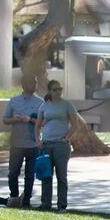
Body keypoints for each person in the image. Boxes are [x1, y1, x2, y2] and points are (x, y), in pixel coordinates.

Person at [35, 79, 79, 212]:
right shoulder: (44, 106)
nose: (58, 92)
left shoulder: (67, 105)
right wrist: (38, 140)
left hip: (61, 145)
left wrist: (66, 138)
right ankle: (45, 204)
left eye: (60, 89)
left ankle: (62, 205)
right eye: (55, 89)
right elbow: (37, 126)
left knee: (62, 176)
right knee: (46, 175)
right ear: (50, 91)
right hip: (47, 144)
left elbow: (75, 124)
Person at [3, 75, 44, 209]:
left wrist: (30, 120)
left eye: (36, 83)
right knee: (13, 173)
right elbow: (5, 120)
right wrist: (16, 119)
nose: (35, 86)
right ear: (24, 85)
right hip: (16, 144)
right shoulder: (14, 101)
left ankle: (26, 200)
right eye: (32, 83)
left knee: (30, 174)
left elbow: (43, 121)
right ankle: (14, 197)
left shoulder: (40, 102)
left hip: (33, 144)